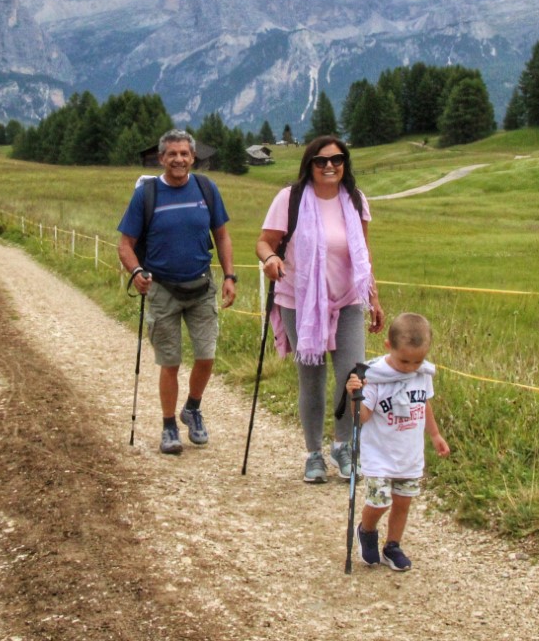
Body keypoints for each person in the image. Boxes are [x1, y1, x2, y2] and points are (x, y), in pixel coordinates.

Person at [255, 134, 384, 483]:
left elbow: (364, 255)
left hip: (347, 301)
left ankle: (342, 446)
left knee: (352, 377)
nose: (330, 166)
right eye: (321, 160)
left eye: (337, 159)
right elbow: (264, 241)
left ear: (345, 164)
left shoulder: (355, 200)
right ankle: (313, 454)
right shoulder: (290, 198)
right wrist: (270, 259)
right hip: (300, 302)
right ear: (309, 164)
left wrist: (373, 296)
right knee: (311, 379)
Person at [118, 129, 238, 455]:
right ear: (161, 158)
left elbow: (223, 236)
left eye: (184, 153)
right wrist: (137, 271)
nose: (179, 159)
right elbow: (125, 245)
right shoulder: (147, 194)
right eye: (172, 154)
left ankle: (193, 408)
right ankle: (169, 425)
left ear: (193, 157)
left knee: (207, 355)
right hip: (162, 289)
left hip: (201, 285)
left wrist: (230, 276)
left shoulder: (206, 188)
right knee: (169, 362)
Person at [345, 312, 450, 571]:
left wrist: (435, 434)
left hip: (409, 454)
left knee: (403, 502)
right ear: (388, 347)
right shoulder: (373, 376)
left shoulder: (421, 373)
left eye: (417, 361)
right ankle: (366, 530)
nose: (410, 367)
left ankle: (393, 545)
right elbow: (363, 418)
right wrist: (354, 396)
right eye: (404, 360)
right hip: (380, 454)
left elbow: (424, 403)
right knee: (380, 501)